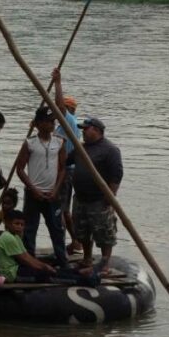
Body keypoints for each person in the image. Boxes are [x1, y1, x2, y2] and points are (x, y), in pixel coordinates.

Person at [16, 106, 68, 267]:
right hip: (34, 193)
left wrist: (56, 189)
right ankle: (29, 261)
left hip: (52, 193)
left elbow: (63, 168)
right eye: (47, 121)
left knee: (56, 228)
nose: (51, 125)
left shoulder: (59, 142)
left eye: (53, 121)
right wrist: (33, 189)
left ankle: (62, 260)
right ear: (38, 124)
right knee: (30, 228)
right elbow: (20, 169)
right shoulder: (30, 143)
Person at [72, 117, 123, 273]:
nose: (83, 132)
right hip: (81, 197)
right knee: (83, 231)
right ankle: (87, 258)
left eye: (86, 129)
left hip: (99, 199)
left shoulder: (110, 150)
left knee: (104, 233)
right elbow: (66, 161)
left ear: (96, 130)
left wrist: (110, 196)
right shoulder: (81, 148)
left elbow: (117, 175)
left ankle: (105, 263)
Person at [53, 67, 83, 254]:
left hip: (66, 171)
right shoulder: (65, 125)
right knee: (62, 209)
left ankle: (75, 241)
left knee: (62, 209)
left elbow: (58, 104)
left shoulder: (69, 120)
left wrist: (57, 82)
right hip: (65, 170)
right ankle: (73, 241)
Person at [0, 210, 58, 283]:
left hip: (15, 269)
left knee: (49, 269)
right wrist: (44, 267)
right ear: (8, 223)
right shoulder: (8, 237)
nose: (19, 227)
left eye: (22, 225)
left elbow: (27, 256)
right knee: (46, 275)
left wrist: (44, 266)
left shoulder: (15, 237)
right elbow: (24, 260)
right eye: (16, 223)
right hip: (9, 274)